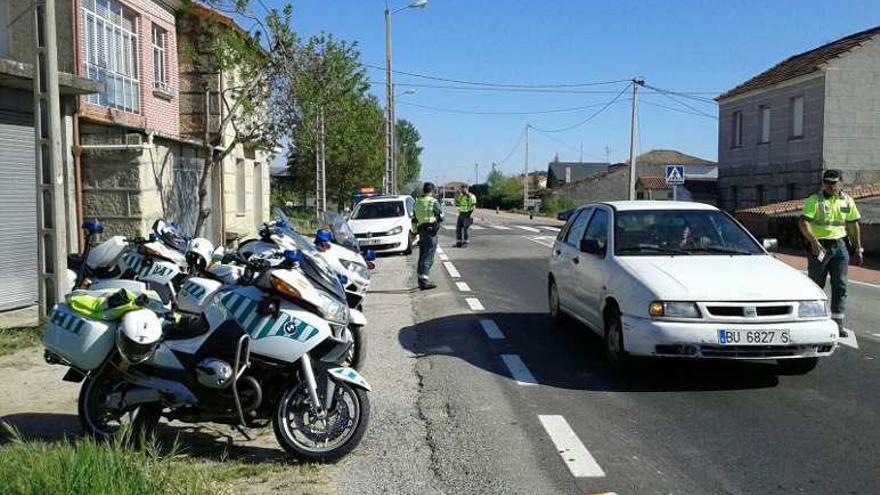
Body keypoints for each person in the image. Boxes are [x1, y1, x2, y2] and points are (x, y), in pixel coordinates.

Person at [798, 169, 864, 337]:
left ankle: (837, 323)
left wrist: (858, 249)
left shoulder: (847, 200)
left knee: (840, 284)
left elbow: (853, 226)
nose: (830, 186)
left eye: (834, 182)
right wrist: (813, 242)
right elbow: (803, 222)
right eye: (827, 182)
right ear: (823, 183)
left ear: (841, 183)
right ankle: (813, 320)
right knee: (815, 285)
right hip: (819, 247)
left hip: (840, 245)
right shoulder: (815, 200)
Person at [414, 182, 444, 290]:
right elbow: (441, 216)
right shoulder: (433, 201)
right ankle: (424, 281)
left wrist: (414, 232)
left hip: (421, 229)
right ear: (433, 191)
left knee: (422, 254)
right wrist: (437, 222)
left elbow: (414, 218)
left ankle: (420, 278)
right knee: (428, 255)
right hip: (431, 231)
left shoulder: (417, 202)